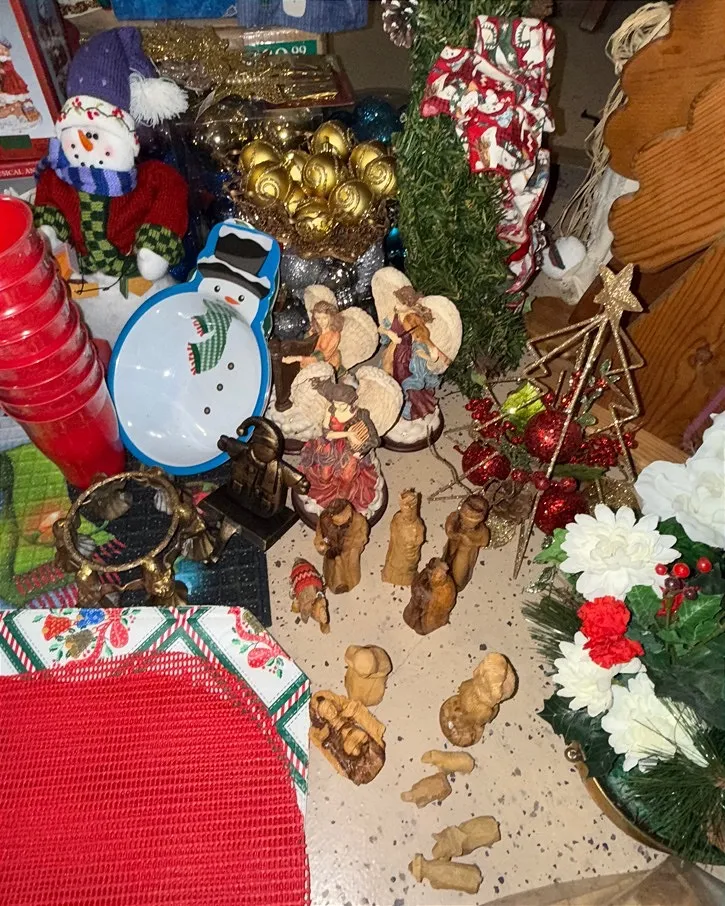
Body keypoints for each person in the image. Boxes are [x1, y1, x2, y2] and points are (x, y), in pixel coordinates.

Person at [299, 381, 380, 512]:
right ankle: (325, 493)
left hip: (351, 449)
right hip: (332, 445)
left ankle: (343, 497)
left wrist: (362, 451)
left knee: (347, 475)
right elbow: (327, 434)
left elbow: (375, 440)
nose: (338, 407)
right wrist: (348, 434)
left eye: (342, 404)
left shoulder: (361, 414)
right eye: (335, 403)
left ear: (350, 401)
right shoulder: (331, 410)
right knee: (325, 476)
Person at [379, 291, 449, 420]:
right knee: (391, 376)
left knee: (406, 380)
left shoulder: (411, 319)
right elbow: (381, 328)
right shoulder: (393, 315)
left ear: (409, 305)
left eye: (401, 303)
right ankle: (394, 404)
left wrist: (432, 354)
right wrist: (389, 333)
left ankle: (413, 408)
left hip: (406, 355)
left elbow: (421, 337)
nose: (396, 305)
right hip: (393, 352)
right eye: (397, 301)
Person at [282, 301, 344, 371]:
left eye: (325, 318)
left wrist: (297, 358)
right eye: (318, 318)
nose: (321, 322)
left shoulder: (334, 335)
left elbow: (324, 356)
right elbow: (305, 344)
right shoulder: (314, 329)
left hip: (326, 363)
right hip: (310, 357)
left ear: (331, 317)